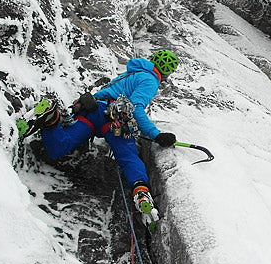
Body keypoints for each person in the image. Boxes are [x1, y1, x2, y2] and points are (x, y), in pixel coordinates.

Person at [21, 50, 180, 230]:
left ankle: (52, 119)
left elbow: (108, 92)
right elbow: (136, 108)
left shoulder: (133, 71)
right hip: (113, 120)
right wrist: (156, 135)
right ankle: (141, 191)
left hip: (93, 110)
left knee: (59, 147)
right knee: (128, 156)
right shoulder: (151, 80)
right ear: (167, 73)